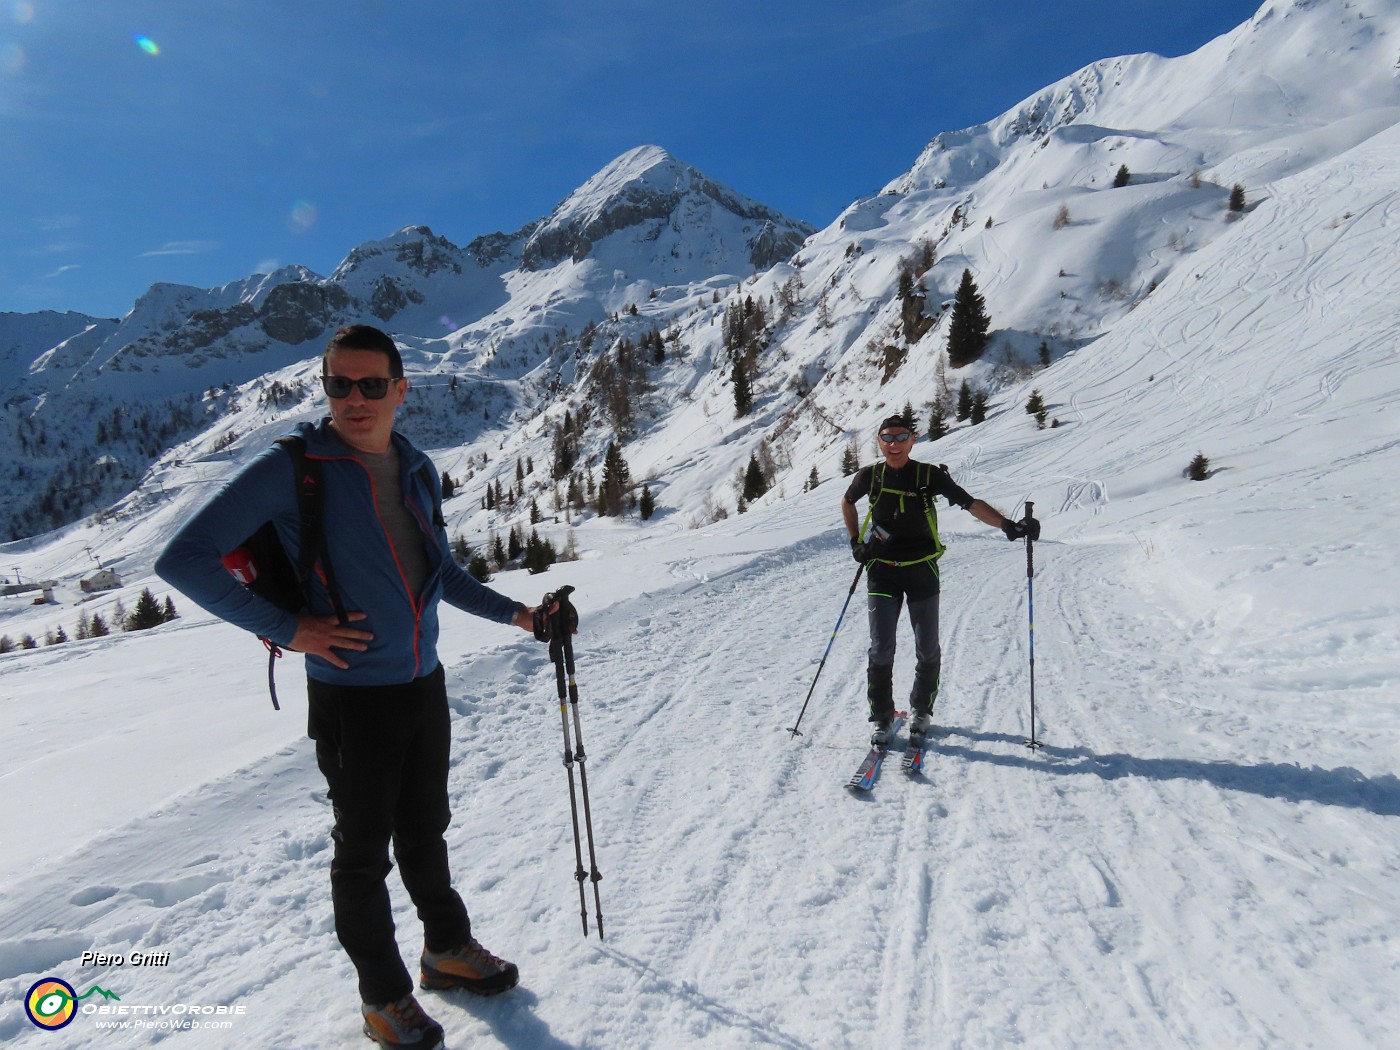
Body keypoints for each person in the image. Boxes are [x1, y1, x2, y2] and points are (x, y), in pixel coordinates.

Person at [157, 324, 548, 1050]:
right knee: (362, 855)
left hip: (422, 684)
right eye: (340, 384)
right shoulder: (294, 468)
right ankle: (383, 997)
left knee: (425, 830)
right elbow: (183, 559)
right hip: (352, 699)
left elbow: (440, 573)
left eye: (371, 384)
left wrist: (519, 615)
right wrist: (288, 629)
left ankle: (446, 950)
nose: (355, 399)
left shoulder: (415, 468)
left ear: (401, 390)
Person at [840, 415, 1039, 746]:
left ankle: (921, 711)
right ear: (879, 441)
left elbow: (969, 503)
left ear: (912, 440)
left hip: (922, 569)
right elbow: (847, 502)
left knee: (927, 647)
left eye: (901, 437)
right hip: (882, 571)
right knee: (880, 648)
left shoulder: (927, 475)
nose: (894, 444)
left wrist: (1007, 525)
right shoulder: (869, 476)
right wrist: (854, 542)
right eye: (887, 437)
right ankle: (882, 717)